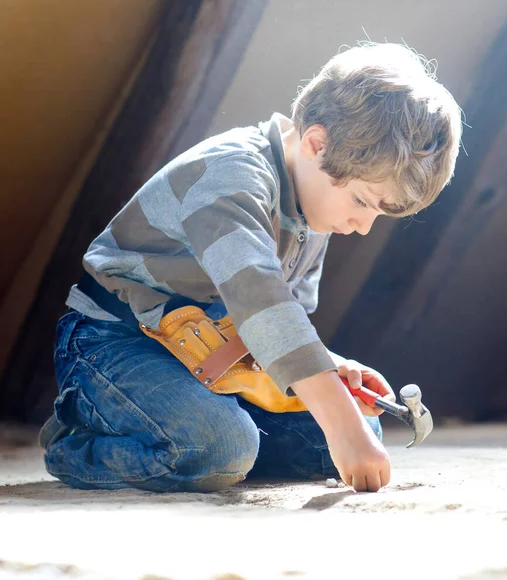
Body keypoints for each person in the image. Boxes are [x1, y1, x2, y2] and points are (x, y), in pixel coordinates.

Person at [40, 42, 462, 493]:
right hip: (114, 340)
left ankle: (205, 441)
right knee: (221, 449)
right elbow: (262, 302)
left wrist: (332, 373)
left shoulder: (313, 205)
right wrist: (338, 419)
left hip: (210, 353)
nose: (361, 226)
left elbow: (279, 326)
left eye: (378, 213)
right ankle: (75, 442)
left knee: (347, 437)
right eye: (361, 201)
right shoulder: (232, 176)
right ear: (317, 144)